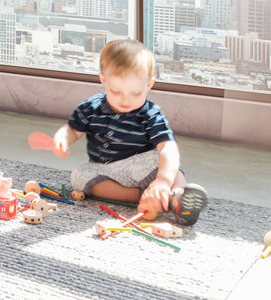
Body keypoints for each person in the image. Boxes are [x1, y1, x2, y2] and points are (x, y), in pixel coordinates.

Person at [52, 38, 208, 225]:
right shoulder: (91, 107)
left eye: (136, 93)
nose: (125, 100)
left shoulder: (150, 114)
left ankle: (178, 196)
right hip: (108, 171)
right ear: (103, 80)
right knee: (79, 175)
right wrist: (62, 138)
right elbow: (72, 130)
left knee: (164, 159)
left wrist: (162, 180)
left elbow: (168, 147)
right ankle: (143, 196)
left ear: (148, 85)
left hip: (142, 167)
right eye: (116, 91)